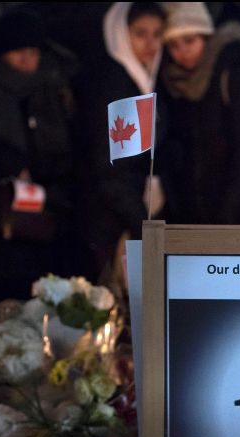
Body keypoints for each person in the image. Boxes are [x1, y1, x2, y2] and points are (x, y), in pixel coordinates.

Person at [0, 9, 77, 301]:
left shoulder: (52, 84)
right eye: (18, 52)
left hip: (46, 209)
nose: (27, 60)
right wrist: (12, 163)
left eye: (32, 52)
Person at [80, 2, 175, 283]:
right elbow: (111, 171)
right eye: (140, 33)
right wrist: (142, 223)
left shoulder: (146, 80)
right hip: (115, 221)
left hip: (134, 213)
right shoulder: (115, 86)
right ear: (121, 34)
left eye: (157, 34)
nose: (150, 44)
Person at [160, 2, 240, 224]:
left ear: (206, 37)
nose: (182, 52)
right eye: (173, 45)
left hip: (233, 214)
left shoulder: (234, 70)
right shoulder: (174, 80)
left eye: (189, 40)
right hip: (194, 210)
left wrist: (226, 219)